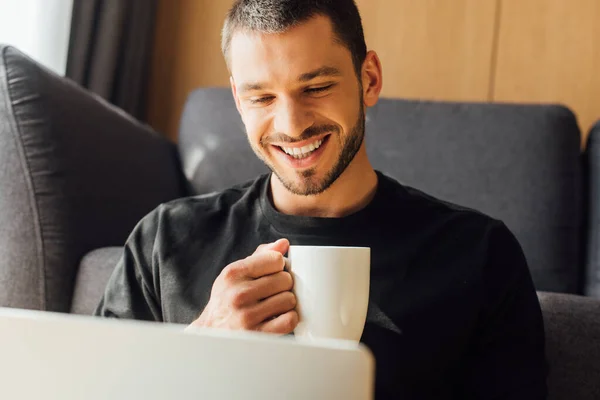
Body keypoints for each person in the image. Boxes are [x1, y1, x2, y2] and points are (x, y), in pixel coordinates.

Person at [96, 0, 548, 398]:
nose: (291, 125)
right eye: (262, 97)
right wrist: (199, 347)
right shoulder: (164, 240)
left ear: (368, 79)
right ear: (238, 99)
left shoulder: (479, 253)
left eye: (315, 88)